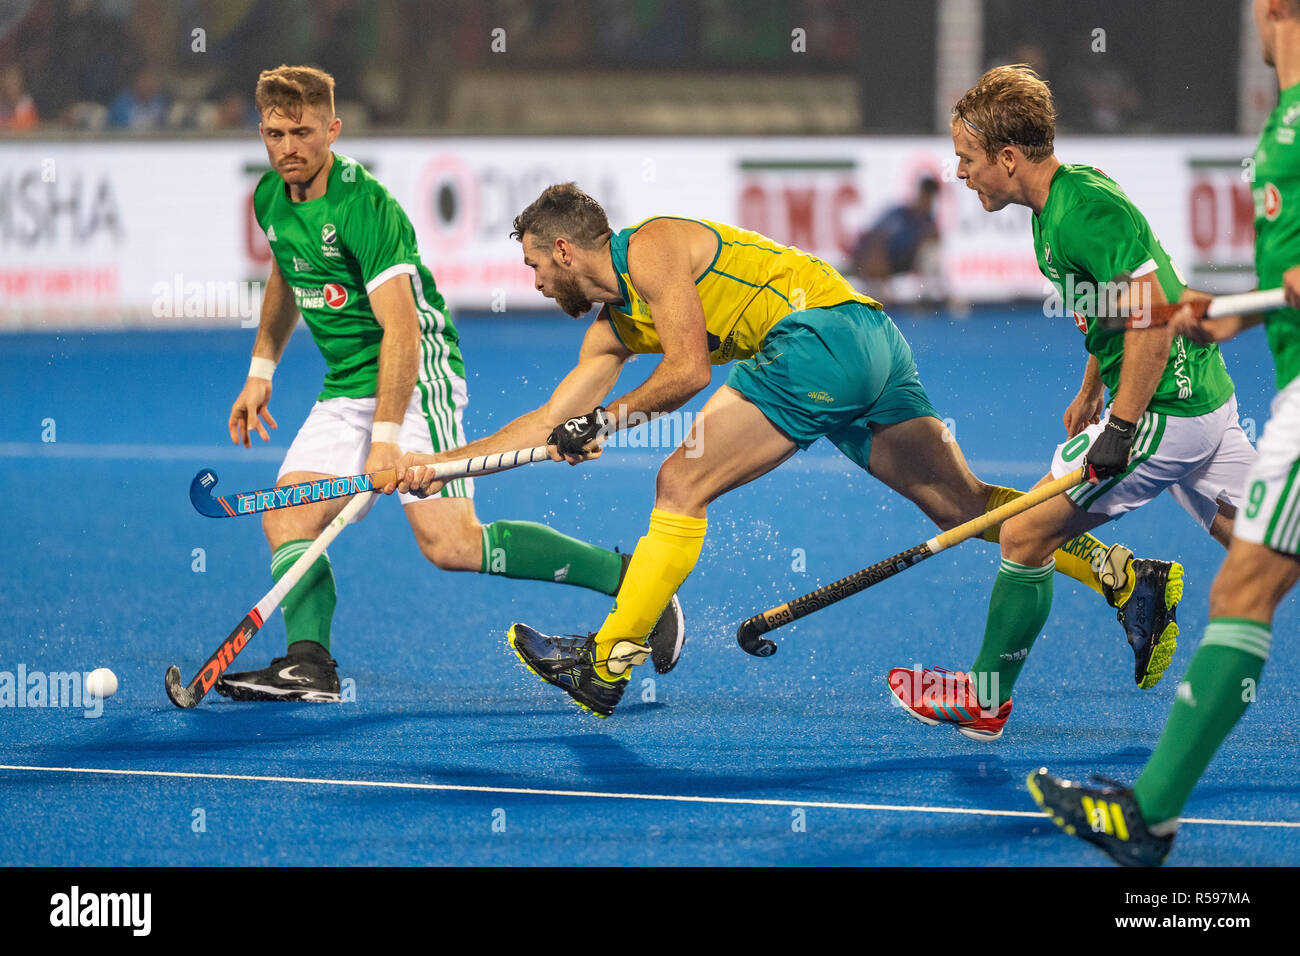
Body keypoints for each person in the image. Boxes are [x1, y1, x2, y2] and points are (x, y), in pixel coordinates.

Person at [394, 183, 1181, 719]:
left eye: (533, 263)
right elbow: (545, 421)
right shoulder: (610, 328)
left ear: (566, 249)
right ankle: (1123, 576)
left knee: (679, 480)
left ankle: (606, 666)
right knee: (964, 504)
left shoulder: (652, 247)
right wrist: (440, 467)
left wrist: (605, 425)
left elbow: (689, 371)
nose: (532, 281)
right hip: (870, 342)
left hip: (818, 341)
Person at [218, 66, 681, 702]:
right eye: (274, 133)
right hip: (347, 383)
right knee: (287, 519)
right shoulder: (271, 198)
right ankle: (310, 666)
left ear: (333, 129)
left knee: (452, 544)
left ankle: (631, 584)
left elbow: (402, 332)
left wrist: (386, 439)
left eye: (302, 132)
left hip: (416, 372)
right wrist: (261, 368)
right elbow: (286, 276)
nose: (288, 148)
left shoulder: (363, 205)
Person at [887, 66, 1256, 741]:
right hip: (1203, 397)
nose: (960, 173)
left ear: (1007, 157)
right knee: (1266, 545)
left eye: (968, 159)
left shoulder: (1084, 210)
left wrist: (1119, 424)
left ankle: (985, 699)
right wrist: (1092, 383)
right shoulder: (1055, 206)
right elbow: (1113, 310)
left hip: (1163, 410)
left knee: (1026, 535)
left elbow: (1148, 318)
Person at [1029, 0, 1300, 866]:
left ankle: (1148, 815)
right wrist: (1241, 310)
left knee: (1244, 590)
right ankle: (1150, 815)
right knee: (1249, 577)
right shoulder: (1284, 118)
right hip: (1284, 382)